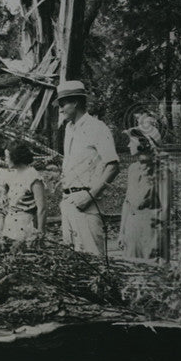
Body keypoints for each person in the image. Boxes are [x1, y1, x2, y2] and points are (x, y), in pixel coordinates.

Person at [57, 80, 120, 257]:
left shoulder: (97, 127)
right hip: (68, 201)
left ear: (76, 102)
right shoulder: (69, 128)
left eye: (63, 104)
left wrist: (89, 196)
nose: (60, 109)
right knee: (71, 260)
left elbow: (113, 166)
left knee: (92, 260)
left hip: (87, 202)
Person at [119, 126, 172, 261]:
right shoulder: (133, 169)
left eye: (132, 141)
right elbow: (127, 202)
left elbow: (165, 208)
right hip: (132, 227)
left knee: (152, 272)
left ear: (144, 144)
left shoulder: (162, 171)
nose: (128, 144)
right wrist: (122, 232)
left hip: (151, 229)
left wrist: (159, 239)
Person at [0, 143, 46, 243]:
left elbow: (42, 209)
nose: (5, 160)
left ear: (16, 157)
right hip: (9, 226)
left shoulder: (33, 176)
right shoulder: (12, 174)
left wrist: (40, 233)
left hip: (25, 226)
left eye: (7, 157)